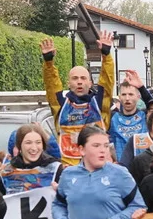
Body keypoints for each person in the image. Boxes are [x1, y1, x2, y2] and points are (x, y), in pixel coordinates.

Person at [41, 32, 116, 166]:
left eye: (83, 78)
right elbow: (51, 86)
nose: (79, 82)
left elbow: (107, 82)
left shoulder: (99, 103)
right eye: (75, 78)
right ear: (69, 83)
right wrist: (48, 62)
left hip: (97, 166)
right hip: (69, 167)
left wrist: (106, 55)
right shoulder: (61, 106)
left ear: (90, 83)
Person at [109, 71, 153, 159]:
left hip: (142, 163)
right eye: (124, 94)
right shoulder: (113, 118)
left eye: (131, 94)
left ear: (138, 97)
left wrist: (141, 88)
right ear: (119, 97)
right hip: (122, 164)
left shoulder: (145, 116)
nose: (127, 98)